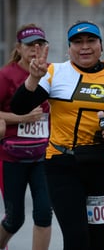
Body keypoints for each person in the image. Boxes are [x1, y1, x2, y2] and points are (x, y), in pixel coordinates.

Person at [10, 20, 104, 250]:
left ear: (101, 46)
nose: (84, 47)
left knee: (99, 242)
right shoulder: (54, 72)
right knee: (77, 240)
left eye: (91, 41)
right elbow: (19, 106)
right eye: (77, 42)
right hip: (63, 164)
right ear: (68, 48)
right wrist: (33, 78)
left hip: (103, 165)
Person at [0, 24, 53, 250]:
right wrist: (21, 118)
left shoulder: (52, 72)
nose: (35, 49)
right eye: (30, 45)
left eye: (40, 44)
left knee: (44, 214)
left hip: (44, 155)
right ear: (19, 48)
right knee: (14, 219)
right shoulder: (6, 75)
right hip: (11, 157)